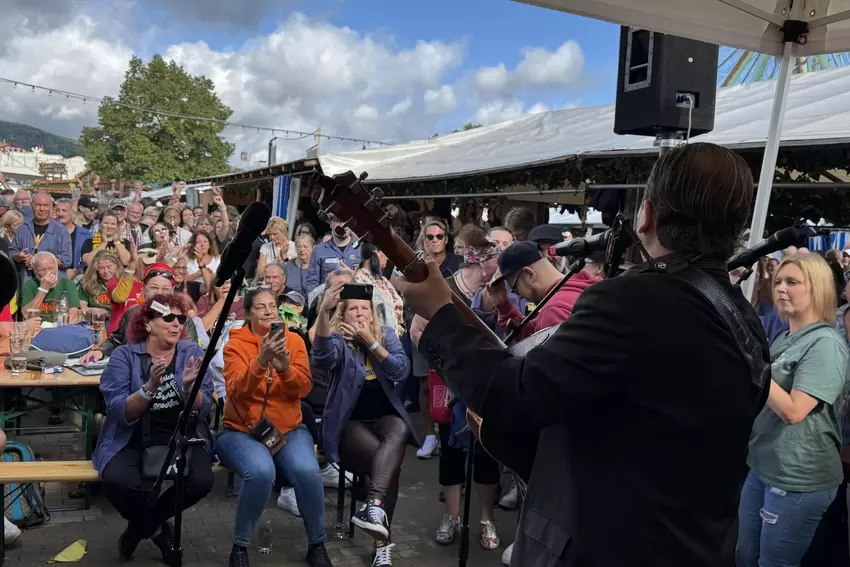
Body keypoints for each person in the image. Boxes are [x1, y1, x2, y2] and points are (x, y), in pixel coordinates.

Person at [396, 142, 771, 566]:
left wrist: (441, 317)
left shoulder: (633, 301)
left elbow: (513, 396)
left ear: (646, 214)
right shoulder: (742, 317)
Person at [738, 253, 849, 567]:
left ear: (817, 288)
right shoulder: (787, 337)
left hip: (797, 478)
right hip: (763, 465)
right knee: (745, 556)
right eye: (778, 282)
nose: (781, 289)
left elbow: (795, 411)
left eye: (792, 282)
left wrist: (754, 364)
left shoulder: (825, 344)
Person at [216, 288, 332, 567]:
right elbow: (235, 392)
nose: (269, 311)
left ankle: (317, 543)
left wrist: (284, 368)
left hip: (289, 429)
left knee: (307, 471)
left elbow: (303, 388)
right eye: (261, 307)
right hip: (241, 430)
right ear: (248, 314)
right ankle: (240, 547)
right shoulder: (235, 345)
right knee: (260, 472)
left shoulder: (294, 341)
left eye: (272, 306)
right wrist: (260, 361)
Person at [94, 294, 214, 563]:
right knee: (117, 481)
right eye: (168, 318)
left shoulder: (192, 353)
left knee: (201, 482)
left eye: (180, 319)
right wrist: (148, 389)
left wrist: (187, 391)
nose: (176, 325)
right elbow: (117, 411)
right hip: (132, 436)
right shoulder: (124, 355)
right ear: (147, 324)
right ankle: (159, 532)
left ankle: (140, 528)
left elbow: (204, 408)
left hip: (182, 436)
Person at [312, 280, 416, 567]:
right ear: (343, 314)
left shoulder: (387, 335)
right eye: (353, 309)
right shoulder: (336, 339)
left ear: (373, 314)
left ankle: (372, 508)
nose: (359, 314)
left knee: (401, 429)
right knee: (388, 467)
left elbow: (400, 370)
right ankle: (382, 541)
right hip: (350, 423)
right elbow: (321, 359)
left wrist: (370, 342)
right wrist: (323, 313)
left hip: (384, 419)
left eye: (364, 309)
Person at [80, 263, 200, 363]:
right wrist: (100, 351)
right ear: (143, 289)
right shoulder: (132, 312)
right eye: (153, 287)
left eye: (165, 289)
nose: (159, 293)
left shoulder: (181, 319)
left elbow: (190, 353)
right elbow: (115, 340)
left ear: (172, 291)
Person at [486, 242, 601, 340]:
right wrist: (505, 308)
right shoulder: (586, 287)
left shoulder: (554, 309)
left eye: (516, 288)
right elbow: (537, 335)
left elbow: (550, 363)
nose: (520, 296)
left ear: (530, 274)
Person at [10, 191, 72, 279]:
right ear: (32, 206)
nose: (42, 209)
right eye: (38, 205)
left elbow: (67, 259)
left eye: (45, 205)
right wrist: (20, 256)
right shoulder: (23, 228)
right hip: (27, 282)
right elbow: (13, 253)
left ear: (51, 207)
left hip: (53, 283)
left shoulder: (61, 230)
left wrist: (37, 263)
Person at [305, 214, 361, 294]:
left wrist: (355, 276)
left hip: (353, 303)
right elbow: (311, 284)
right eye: (338, 220)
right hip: (328, 303)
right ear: (330, 223)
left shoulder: (363, 249)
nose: (343, 224)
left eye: (347, 220)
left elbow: (374, 283)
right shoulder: (319, 250)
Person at [21, 251, 80, 323]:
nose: (48, 273)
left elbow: (73, 316)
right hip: (37, 329)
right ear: (35, 271)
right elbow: (27, 315)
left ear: (56, 267)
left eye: (51, 268)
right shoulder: (29, 285)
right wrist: (43, 289)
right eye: (43, 270)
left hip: (60, 329)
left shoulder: (68, 284)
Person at [55, 198, 92, 279]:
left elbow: (89, 259)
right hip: (55, 277)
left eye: (64, 211)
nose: (60, 214)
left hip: (80, 277)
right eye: (57, 210)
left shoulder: (86, 234)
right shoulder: (49, 232)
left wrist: (77, 271)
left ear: (73, 214)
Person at [78, 250, 120, 320]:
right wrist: (93, 311)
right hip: (95, 321)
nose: (106, 271)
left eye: (109, 267)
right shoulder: (87, 282)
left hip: (118, 322)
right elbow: (82, 308)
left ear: (116, 265)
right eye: (101, 268)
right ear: (96, 268)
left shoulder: (124, 282)